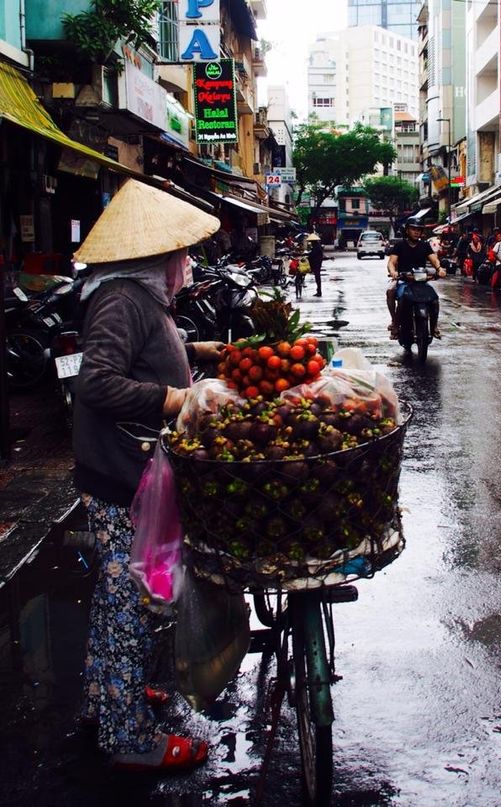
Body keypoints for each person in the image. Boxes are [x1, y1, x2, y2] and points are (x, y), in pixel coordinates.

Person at [72, 178, 223, 771]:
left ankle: (107, 697)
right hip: (119, 475)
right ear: (155, 257)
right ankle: (127, 737)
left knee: (117, 600)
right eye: (180, 255)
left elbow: (156, 347)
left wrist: (205, 352)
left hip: (132, 470)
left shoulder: (141, 299)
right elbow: (98, 382)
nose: (185, 264)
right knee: (132, 601)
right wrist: (175, 401)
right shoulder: (120, 300)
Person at [386, 216, 445, 342]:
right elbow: (391, 262)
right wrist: (393, 272)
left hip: (421, 281)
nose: (416, 231)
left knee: (434, 300)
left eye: (419, 229)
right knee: (391, 292)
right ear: (407, 230)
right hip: (404, 280)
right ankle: (395, 323)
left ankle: (434, 327)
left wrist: (439, 269)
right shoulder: (399, 246)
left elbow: (434, 260)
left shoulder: (425, 246)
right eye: (413, 229)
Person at [306, 232, 324, 296]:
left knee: (317, 278)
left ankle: (319, 291)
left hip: (317, 264)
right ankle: (318, 291)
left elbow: (313, 254)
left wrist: (308, 256)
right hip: (316, 264)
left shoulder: (317, 247)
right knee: (317, 278)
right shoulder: (316, 246)